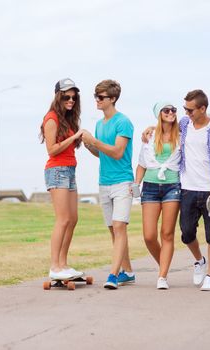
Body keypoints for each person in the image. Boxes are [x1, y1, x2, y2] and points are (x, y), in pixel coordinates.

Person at [143, 90, 210, 291]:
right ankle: (199, 259)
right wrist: (148, 129)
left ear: (202, 109)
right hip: (187, 188)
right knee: (187, 234)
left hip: (209, 189)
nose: (185, 113)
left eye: (190, 110)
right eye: (185, 109)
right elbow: (164, 128)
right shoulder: (184, 125)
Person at [81, 79, 136, 290]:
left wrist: (94, 142)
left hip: (122, 182)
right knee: (114, 230)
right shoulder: (99, 124)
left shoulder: (123, 122)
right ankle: (127, 272)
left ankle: (113, 275)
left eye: (101, 97)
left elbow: (117, 152)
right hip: (104, 182)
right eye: (96, 96)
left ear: (112, 99)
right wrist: (88, 146)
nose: (97, 100)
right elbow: (102, 153)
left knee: (120, 226)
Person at [40, 78, 84, 280]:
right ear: (58, 97)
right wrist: (73, 138)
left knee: (73, 219)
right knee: (63, 219)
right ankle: (54, 266)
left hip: (70, 169)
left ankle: (63, 264)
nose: (71, 100)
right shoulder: (52, 118)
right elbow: (52, 149)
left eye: (74, 97)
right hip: (57, 170)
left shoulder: (68, 119)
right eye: (66, 97)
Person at [135, 102, 181, 290]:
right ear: (159, 114)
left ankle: (162, 276)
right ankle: (164, 262)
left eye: (173, 110)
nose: (171, 113)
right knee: (149, 235)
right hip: (151, 187)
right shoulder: (150, 136)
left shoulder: (182, 134)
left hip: (173, 186)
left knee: (167, 233)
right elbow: (142, 163)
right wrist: (136, 184)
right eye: (166, 110)